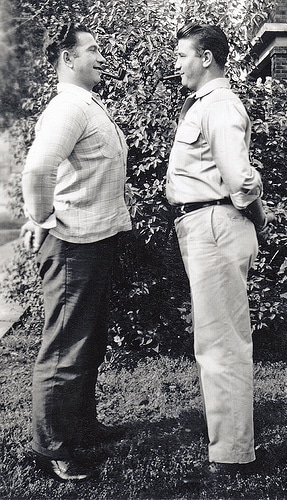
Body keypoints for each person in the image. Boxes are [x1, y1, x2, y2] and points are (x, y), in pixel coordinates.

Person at [20, 23, 131, 481]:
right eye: (92, 49)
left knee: (86, 344)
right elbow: (38, 170)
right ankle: (55, 448)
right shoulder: (68, 106)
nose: (101, 56)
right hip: (71, 244)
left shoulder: (84, 103)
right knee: (66, 347)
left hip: (93, 241)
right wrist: (43, 219)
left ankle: (80, 427)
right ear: (68, 59)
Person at [166, 22, 274, 480]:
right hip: (205, 223)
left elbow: (239, 177)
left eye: (183, 55)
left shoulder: (220, 105)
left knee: (222, 343)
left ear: (206, 57)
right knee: (215, 340)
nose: (177, 64)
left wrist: (259, 216)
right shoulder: (206, 104)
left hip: (215, 222)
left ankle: (232, 454)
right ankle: (228, 440)